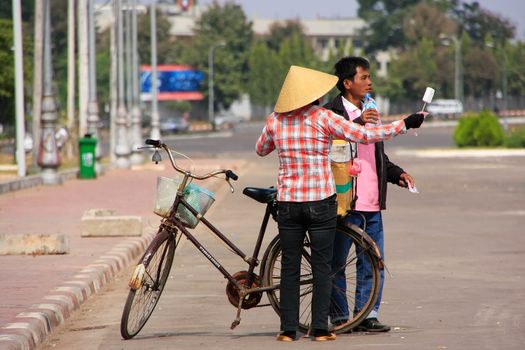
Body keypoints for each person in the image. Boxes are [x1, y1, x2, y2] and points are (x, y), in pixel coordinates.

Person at [255, 65, 425, 342]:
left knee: (289, 266)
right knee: (322, 265)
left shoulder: (275, 120)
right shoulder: (323, 117)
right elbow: (366, 135)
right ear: (314, 96)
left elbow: (261, 150)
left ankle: (288, 330)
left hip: (288, 203)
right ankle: (321, 329)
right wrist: (405, 124)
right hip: (320, 201)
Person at [324, 56, 420, 332]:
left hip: (372, 201)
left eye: (369, 77)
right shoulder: (331, 114)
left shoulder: (372, 112)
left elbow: (376, 153)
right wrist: (358, 120)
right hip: (345, 201)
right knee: (337, 263)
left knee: (372, 261)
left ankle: (367, 314)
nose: (370, 83)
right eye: (364, 77)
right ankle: (341, 318)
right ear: (347, 83)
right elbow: (334, 148)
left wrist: (396, 174)